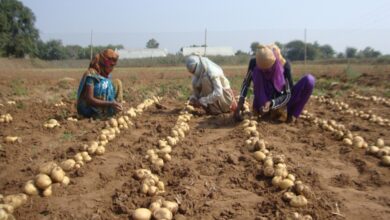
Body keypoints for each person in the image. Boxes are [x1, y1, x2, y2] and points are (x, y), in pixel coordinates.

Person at [234, 44, 315, 123]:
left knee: (309, 80)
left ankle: (291, 115)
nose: (265, 72)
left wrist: (272, 103)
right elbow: (246, 83)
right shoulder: (254, 63)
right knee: (257, 74)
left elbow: (288, 94)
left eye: (268, 70)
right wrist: (240, 102)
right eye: (262, 70)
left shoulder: (285, 66)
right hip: (263, 101)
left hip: (281, 101)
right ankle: (263, 111)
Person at [76, 48, 123, 118]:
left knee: (117, 82)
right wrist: (110, 103)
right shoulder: (91, 74)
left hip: (104, 106)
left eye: (114, 65)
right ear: (104, 63)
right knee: (104, 85)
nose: (112, 68)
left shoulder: (107, 75)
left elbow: (109, 94)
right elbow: (89, 99)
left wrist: (114, 103)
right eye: (111, 65)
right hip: (88, 109)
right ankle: (103, 112)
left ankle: (113, 110)